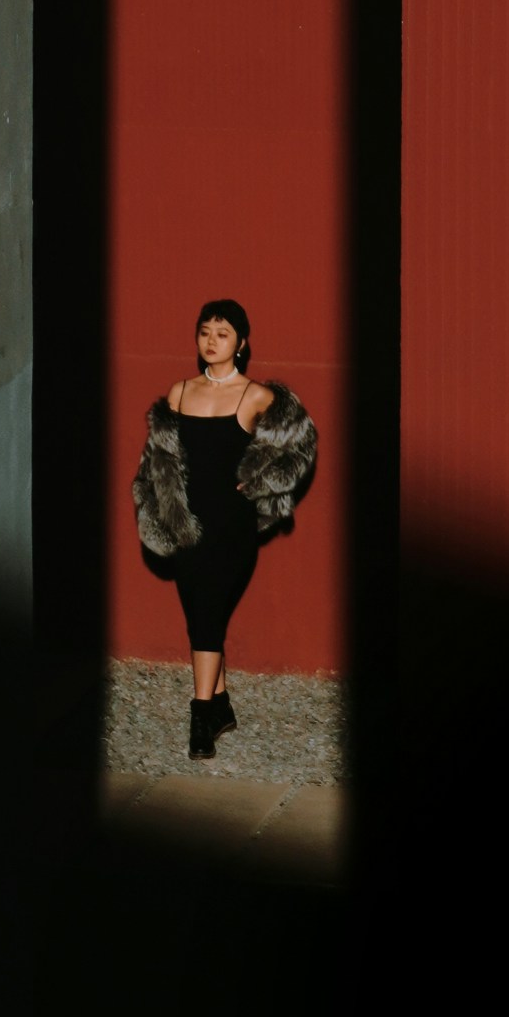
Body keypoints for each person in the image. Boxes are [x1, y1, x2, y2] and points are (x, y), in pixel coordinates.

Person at [132, 300, 318, 758]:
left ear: (241, 343)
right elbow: (155, 460)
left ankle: (200, 718)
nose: (211, 341)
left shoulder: (255, 396)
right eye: (204, 332)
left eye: (222, 333)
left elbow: (301, 446)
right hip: (187, 524)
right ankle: (221, 705)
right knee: (203, 611)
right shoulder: (179, 392)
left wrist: (262, 481)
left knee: (207, 613)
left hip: (232, 527)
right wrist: (156, 509)